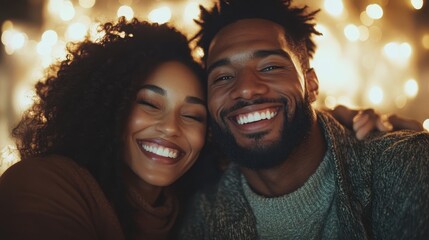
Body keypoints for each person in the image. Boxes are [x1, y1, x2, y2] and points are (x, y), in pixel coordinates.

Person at [179, 0, 429, 239]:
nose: (245, 89)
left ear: (311, 84)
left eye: (269, 67)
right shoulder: (200, 218)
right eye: (222, 77)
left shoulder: (405, 164)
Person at [0, 17, 212, 240]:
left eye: (192, 115)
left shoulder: (199, 211)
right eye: (149, 104)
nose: (170, 127)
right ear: (111, 107)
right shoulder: (42, 184)